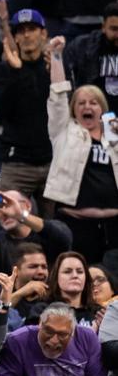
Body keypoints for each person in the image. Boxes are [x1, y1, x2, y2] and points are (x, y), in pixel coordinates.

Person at [45, 47, 118, 263]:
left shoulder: (113, 134)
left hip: (114, 226)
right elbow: (58, 95)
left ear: (102, 109)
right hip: (75, 224)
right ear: (73, 109)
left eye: (93, 103)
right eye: (81, 103)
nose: (88, 107)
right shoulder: (64, 130)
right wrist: (56, 56)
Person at [0, 11, 56, 198]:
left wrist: (57, 72)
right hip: (15, 162)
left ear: (43, 33)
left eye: (32, 29)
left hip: (53, 160)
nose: (26, 35)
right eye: (21, 31)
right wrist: (18, 72)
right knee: (5, 215)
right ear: (15, 37)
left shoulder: (55, 67)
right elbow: (0, 111)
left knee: (57, 224)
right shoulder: (2, 70)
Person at [0, 189, 74, 272]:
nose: (5, 212)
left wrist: (21, 215)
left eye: (10, 204)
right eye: (0, 206)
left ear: (27, 206)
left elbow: (64, 239)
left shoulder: (52, 229)